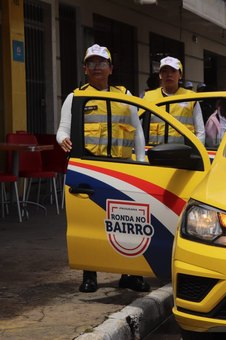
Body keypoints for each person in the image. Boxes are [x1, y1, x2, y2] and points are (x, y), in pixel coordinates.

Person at [56, 43, 150, 293]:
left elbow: (137, 130)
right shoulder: (75, 97)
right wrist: (61, 139)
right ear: (85, 69)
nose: (97, 67)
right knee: (90, 224)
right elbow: (63, 128)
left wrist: (141, 163)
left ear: (111, 68)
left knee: (129, 223)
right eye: (92, 63)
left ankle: (131, 273)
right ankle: (90, 275)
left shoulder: (125, 94)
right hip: (90, 171)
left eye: (101, 63)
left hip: (123, 170)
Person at [144, 56, 205, 145]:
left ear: (180, 75)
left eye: (173, 71)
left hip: (183, 154)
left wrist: (197, 153)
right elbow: (139, 129)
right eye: (165, 71)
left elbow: (200, 131)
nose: (169, 74)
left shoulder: (191, 98)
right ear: (160, 75)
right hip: (154, 153)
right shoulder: (148, 97)